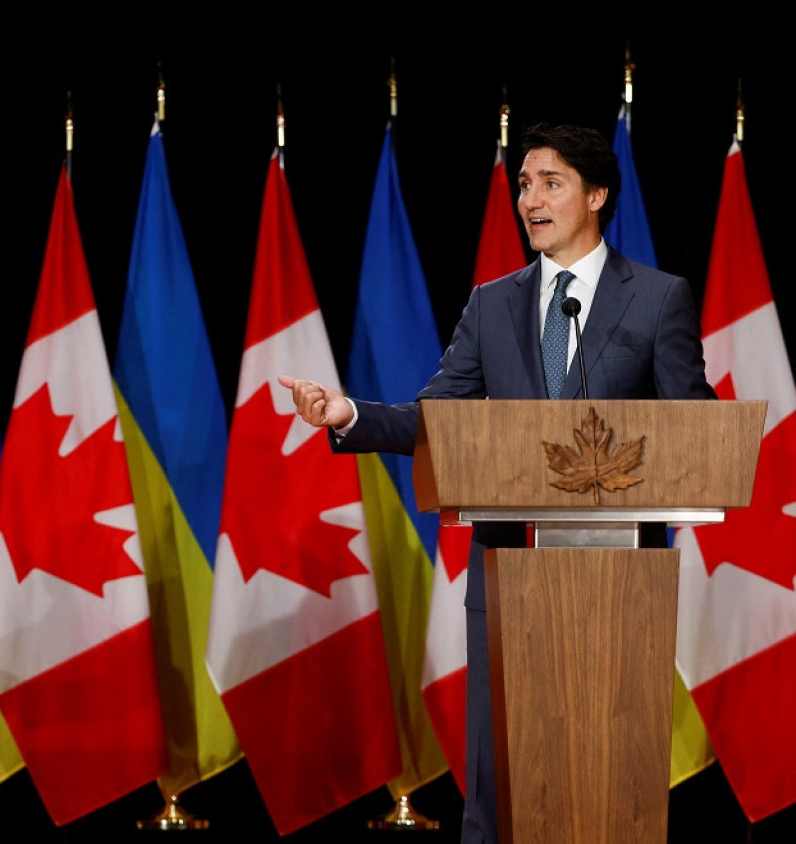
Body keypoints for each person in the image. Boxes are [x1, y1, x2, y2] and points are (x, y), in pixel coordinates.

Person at [278, 123, 716, 843]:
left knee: (609, 784)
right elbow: (438, 417)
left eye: (551, 183)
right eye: (523, 184)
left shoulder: (658, 299)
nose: (531, 199)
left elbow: (692, 431)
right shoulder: (493, 303)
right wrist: (346, 412)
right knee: (501, 785)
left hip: (618, 587)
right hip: (508, 574)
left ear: (597, 194)